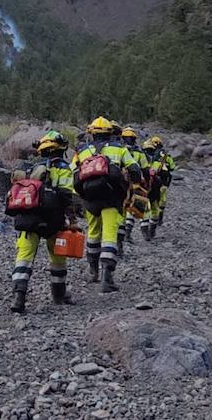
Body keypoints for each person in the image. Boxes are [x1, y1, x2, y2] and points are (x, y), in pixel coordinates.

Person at [8, 131, 78, 314]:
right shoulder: (63, 168)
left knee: (24, 257)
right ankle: (59, 295)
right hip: (53, 221)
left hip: (28, 220)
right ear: (61, 149)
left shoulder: (30, 169)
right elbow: (65, 196)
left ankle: (19, 296)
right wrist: (71, 219)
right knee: (57, 257)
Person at [72, 117, 141, 292]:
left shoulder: (82, 151)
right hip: (112, 198)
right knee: (110, 236)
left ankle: (92, 271)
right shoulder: (119, 149)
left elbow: (72, 173)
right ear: (111, 133)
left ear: (91, 133)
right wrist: (132, 187)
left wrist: (76, 201)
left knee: (93, 234)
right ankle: (107, 278)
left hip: (89, 199)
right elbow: (134, 169)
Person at [118, 126, 151, 248]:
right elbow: (145, 169)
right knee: (137, 207)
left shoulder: (118, 149)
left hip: (121, 184)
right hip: (136, 183)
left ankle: (125, 234)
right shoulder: (139, 153)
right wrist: (147, 184)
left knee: (123, 209)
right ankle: (140, 231)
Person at [141, 136, 177, 240]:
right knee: (158, 205)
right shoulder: (164, 156)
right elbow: (172, 168)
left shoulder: (140, 158)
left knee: (144, 209)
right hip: (160, 185)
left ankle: (143, 229)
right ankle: (154, 227)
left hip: (143, 188)